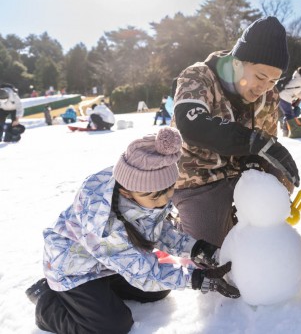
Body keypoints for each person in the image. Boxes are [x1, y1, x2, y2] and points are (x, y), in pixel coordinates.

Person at [25, 127, 239, 334]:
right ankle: (46, 300)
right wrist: (198, 279)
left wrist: (197, 248)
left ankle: (103, 291)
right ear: (127, 193)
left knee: (159, 288)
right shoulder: (102, 224)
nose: (165, 200)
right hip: (75, 269)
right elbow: (143, 273)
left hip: (108, 263)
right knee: (113, 326)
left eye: (169, 190)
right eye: (157, 196)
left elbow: (157, 229)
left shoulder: (142, 191)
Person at [171, 16, 299, 247]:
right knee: (211, 253)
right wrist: (252, 141)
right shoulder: (199, 76)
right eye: (260, 76)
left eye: (273, 80)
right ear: (237, 63)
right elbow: (192, 125)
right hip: (198, 179)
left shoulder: (269, 96)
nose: (264, 87)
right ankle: (178, 225)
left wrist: (273, 175)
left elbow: (265, 144)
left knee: (271, 210)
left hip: (239, 173)